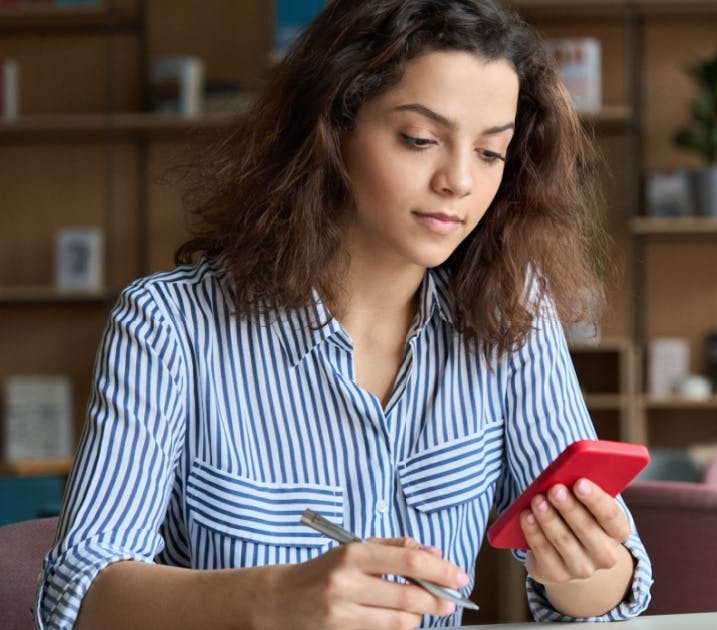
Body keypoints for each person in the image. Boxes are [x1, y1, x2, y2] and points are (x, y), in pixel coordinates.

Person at [34, 1, 652, 628]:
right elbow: (79, 594)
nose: (459, 181)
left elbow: (609, 595)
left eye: (491, 153)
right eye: (419, 139)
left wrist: (586, 567)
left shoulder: (510, 316)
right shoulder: (168, 327)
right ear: (331, 129)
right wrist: (272, 601)